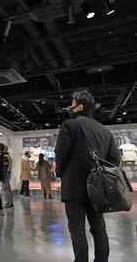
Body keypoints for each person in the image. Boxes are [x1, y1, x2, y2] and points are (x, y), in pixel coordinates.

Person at [55, 88, 120, 262]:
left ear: (80, 107)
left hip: (74, 187)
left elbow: (61, 155)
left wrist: (60, 173)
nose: (70, 107)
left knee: (77, 228)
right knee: (99, 228)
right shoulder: (105, 132)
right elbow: (115, 160)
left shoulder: (70, 125)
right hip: (98, 188)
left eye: (72, 104)